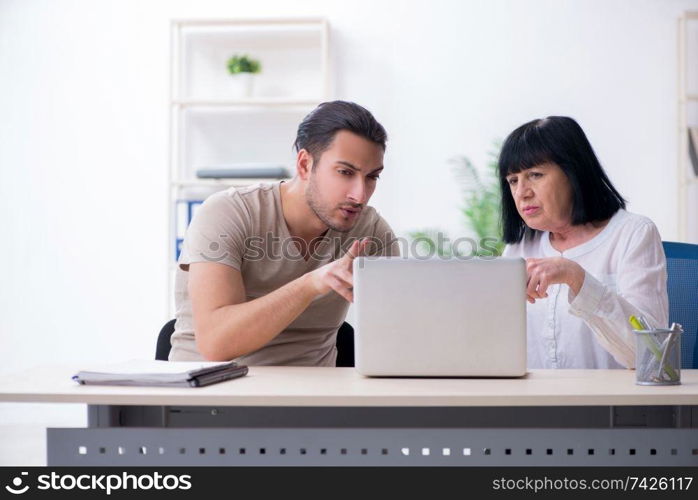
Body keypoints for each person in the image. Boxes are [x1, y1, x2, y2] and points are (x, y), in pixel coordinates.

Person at [169, 101, 399, 365]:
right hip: (214, 392)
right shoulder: (228, 213)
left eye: (372, 177)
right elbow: (216, 344)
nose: (359, 195)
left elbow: (396, 336)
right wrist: (311, 284)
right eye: (345, 172)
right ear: (304, 165)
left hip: (314, 398)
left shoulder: (372, 233)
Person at [499, 116, 668, 369]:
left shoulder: (633, 233)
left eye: (535, 175)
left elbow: (652, 356)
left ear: (574, 172)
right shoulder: (519, 248)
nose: (522, 192)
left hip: (610, 405)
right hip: (530, 403)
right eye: (513, 180)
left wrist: (576, 277)